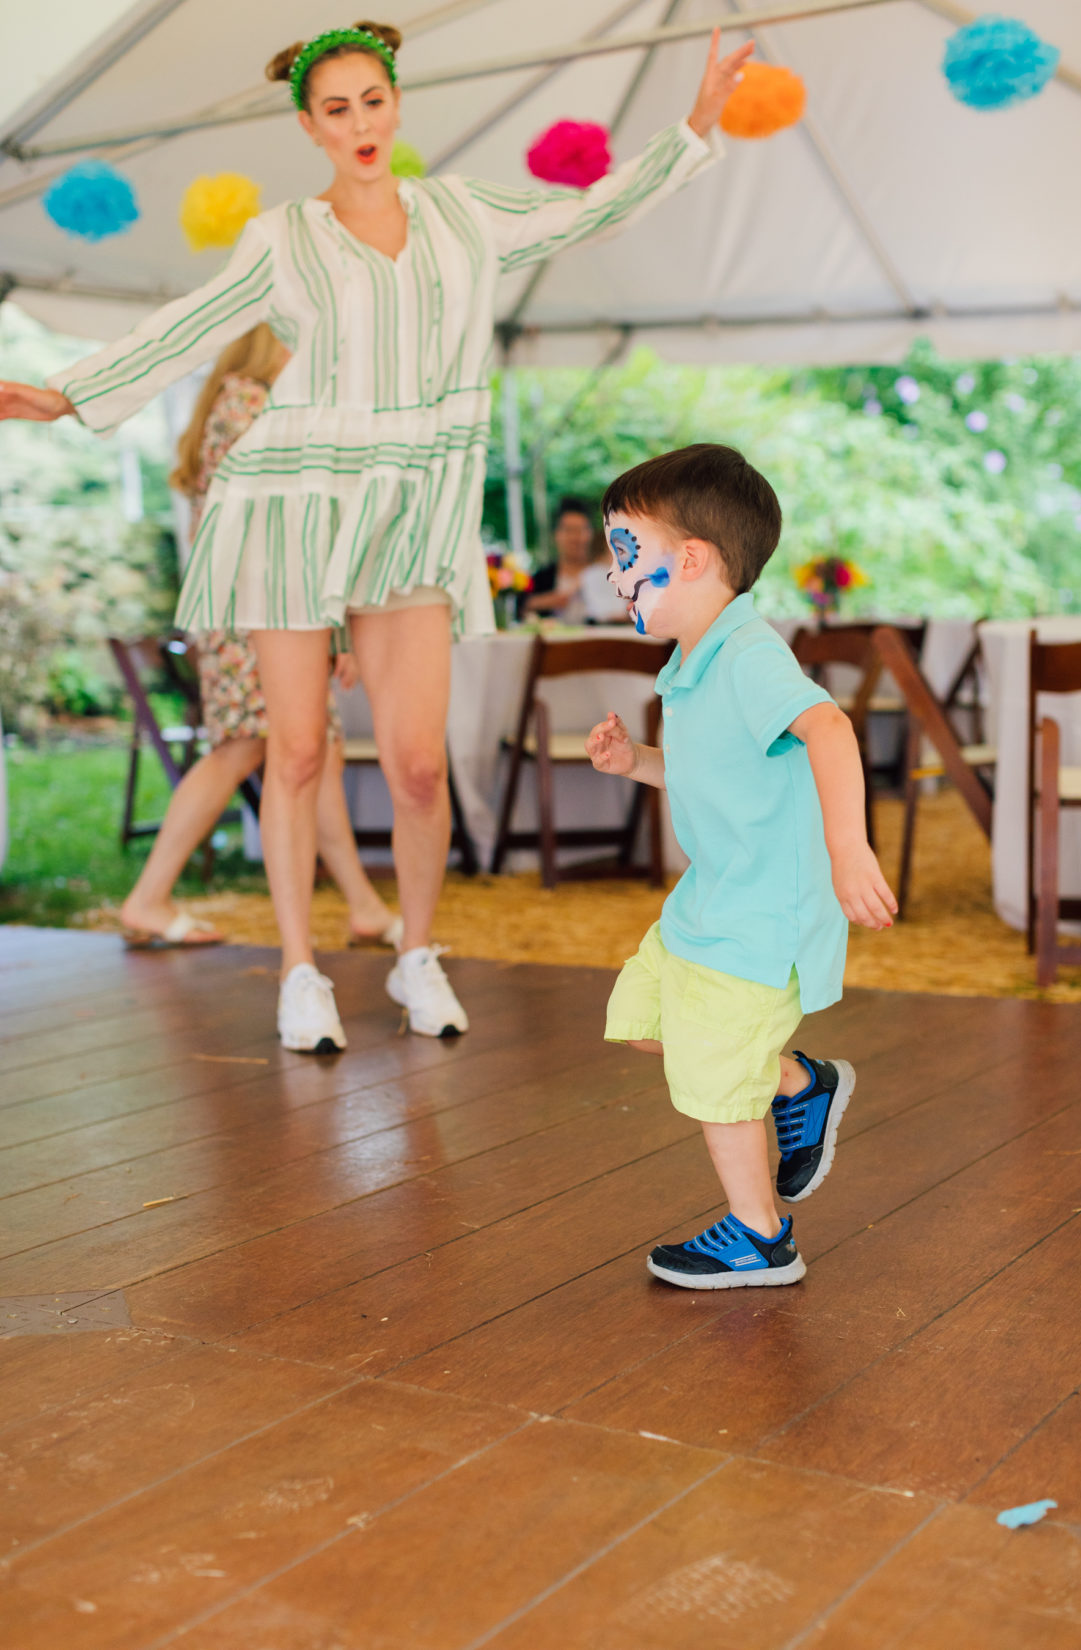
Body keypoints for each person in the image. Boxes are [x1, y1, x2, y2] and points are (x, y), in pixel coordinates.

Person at [0, 20, 753, 1053]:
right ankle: (300, 974)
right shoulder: (282, 238)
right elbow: (188, 322)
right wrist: (67, 395)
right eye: (336, 109)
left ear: (395, 105)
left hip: (413, 511)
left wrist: (696, 118)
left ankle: (414, 957)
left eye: (372, 102)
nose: (359, 123)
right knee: (298, 752)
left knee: (413, 768)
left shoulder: (464, 213)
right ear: (309, 126)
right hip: (293, 507)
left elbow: (591, 213)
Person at [585, 444, 897, 1289]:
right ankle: (799, 1083)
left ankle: (762, 1237)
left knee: (716, 1075)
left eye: (627, 558)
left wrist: (848, 849)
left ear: (692, 560)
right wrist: (637, 762)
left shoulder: (750, 654)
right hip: (708, 902)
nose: (617, 583)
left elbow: (827, 730)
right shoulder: (692, 663)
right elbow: (712, 767)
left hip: (759, 911)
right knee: (650, 1020)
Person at [119, 325, 401, 968]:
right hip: (262, 607)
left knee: (309, 753)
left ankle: (362, 904)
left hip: (247, 605)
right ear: (274, 343)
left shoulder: (229, 404)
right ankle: (150, 896)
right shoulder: (254, 405)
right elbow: (296, 522)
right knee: (250, 748)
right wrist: (336, 623)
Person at [521, 496, 623, 624]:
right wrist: (539, 602)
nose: (576, 537)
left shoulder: (608, 573)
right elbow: (522, 609)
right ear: (555, 535)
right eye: (568, 530)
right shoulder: (541, 578)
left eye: (582, 529)